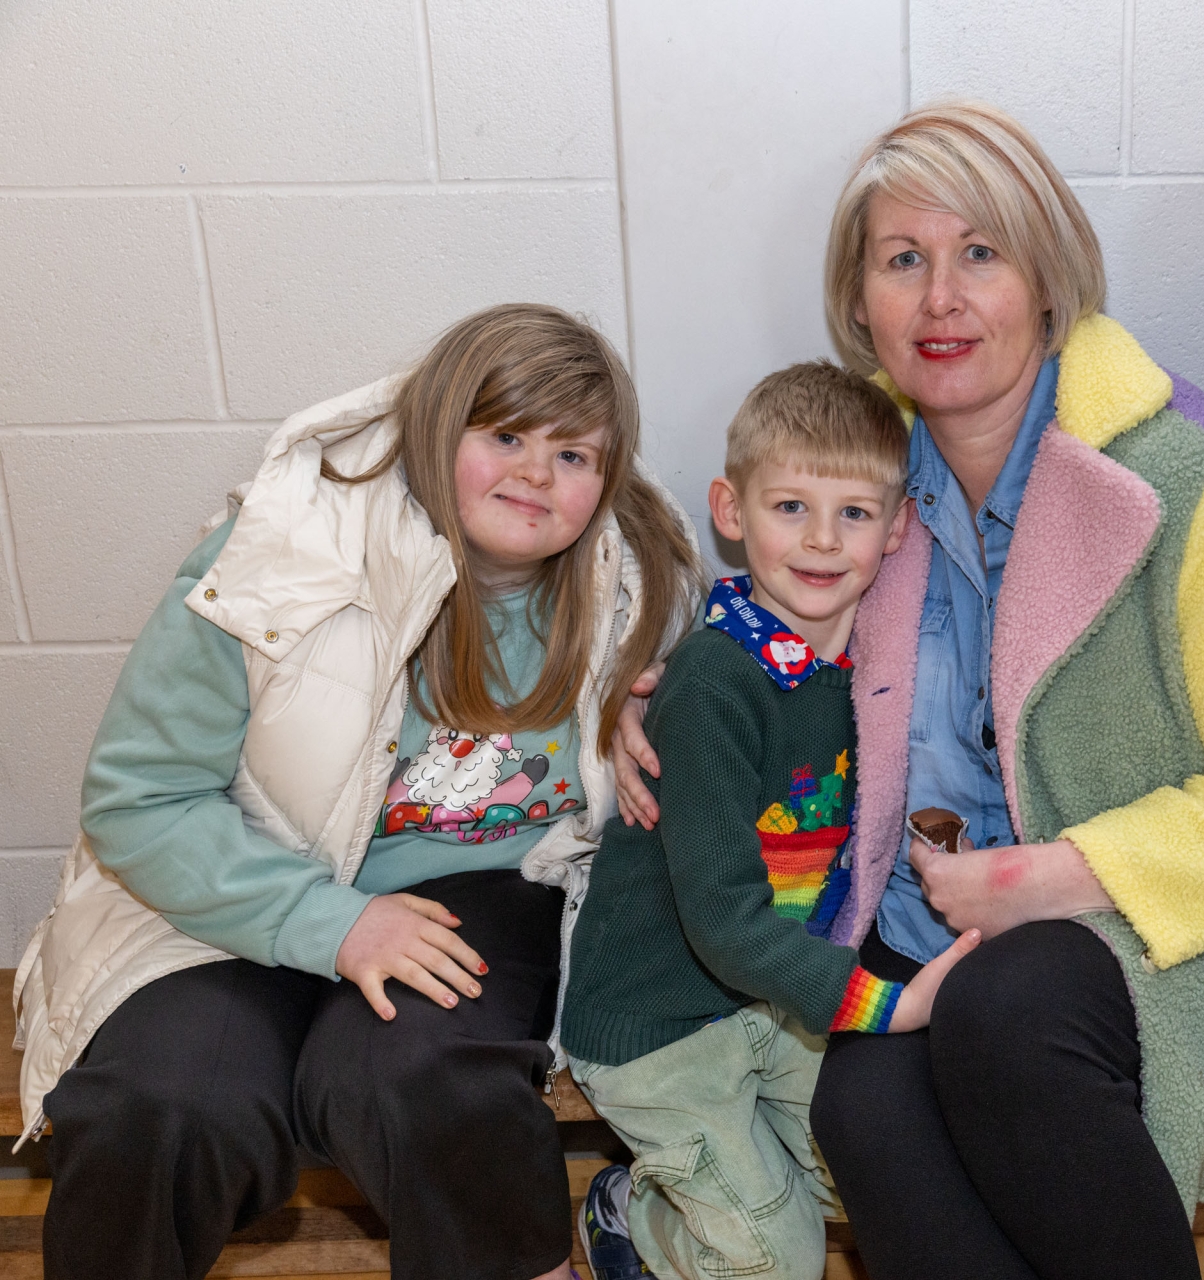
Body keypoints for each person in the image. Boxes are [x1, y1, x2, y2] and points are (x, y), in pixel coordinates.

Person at [604, 100, 1204, 1279]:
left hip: (1150, 932)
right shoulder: (866, 478)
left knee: (1007, 1010)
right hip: (928, 939)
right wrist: (653, 694)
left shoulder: (1185, 478)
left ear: (1050, 280)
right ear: (858, 300)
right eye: (902, 260)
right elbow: (771, 624)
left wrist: (1053, 875)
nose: (940, 299)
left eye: (980, 253)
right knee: (862, 1101)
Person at [12, 304, 705, 1280]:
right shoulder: (277, 552)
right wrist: (332, 923)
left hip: (482, 891)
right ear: (436, 426)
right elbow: (141, 799)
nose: (537, 475)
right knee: (161, 1110)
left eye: (574, 454)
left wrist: (664, 714)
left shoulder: (639, 577)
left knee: (424, 1081)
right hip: (243, 873)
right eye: (505, 435)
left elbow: (727, 718)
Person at [560, 361, 981, 1280]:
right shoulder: (714, 686)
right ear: (731, 510)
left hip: (766, 1002)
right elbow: (723, 921)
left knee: (878, 1180)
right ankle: (630, 1216)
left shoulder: (870, 667)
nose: (823, 540)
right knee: (778, 1261)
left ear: (896, 529)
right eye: (791, 507)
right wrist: (888, 1004)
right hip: (658, 1024)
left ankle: (723, 1184)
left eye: (855, 513)